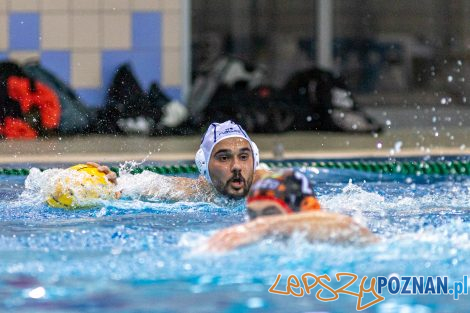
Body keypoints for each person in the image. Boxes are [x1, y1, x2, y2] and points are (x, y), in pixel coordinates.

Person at [89, 120, 270, 202]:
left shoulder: (271, 185)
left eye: (244, 157)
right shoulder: (192, 193)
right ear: (204, 166)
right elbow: (139, 185)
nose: (237, 166)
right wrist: (112, 184)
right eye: (224, 158)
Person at [200, 170, 378, 252]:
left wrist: (263, 227)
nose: (258, 223)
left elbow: (349, 228)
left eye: (270, 214)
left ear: (307, 208)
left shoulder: (342, 240)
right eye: (253, 216)